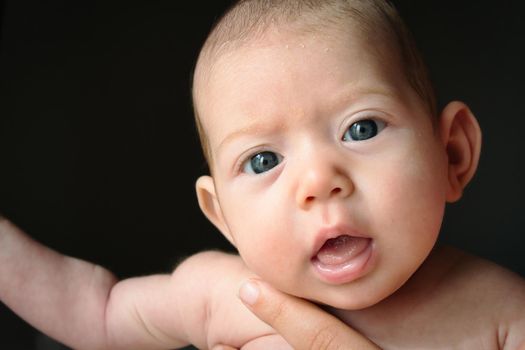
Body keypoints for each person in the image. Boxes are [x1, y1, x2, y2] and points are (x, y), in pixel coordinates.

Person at [1, 0, 525, 349]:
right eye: (263, 161)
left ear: (451, 154)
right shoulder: (220, 293)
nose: (320, 180)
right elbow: (93, 311)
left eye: (361, 128)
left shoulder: (503, 315)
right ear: (223, 217)